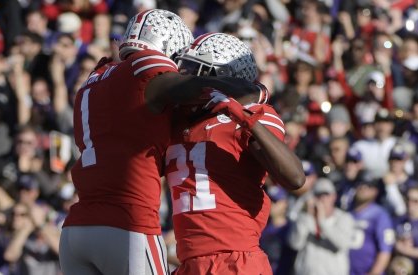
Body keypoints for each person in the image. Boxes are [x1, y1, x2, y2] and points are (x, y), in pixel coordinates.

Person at [59, 10, 262, 275]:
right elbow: (191, 86)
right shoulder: (143, 70)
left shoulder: (93, 79)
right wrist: (253, 90)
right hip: (127, 223)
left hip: (76, 228)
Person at [165, 33, 305, 274]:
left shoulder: (252, 114)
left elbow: (294, 178)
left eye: (194, 70)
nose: (184, 77)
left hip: (234, 261)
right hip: (188, 262)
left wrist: (242, 116)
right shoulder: (176, 121)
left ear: (220, 78)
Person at [287, 177, 355, 275]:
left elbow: (343, 244)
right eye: (318, 195)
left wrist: (322, 222)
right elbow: (295, 244)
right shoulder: (305, 218)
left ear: (334, 196)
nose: (322, 199)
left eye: (326, 194)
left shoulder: (344, 218)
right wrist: (306, 216)